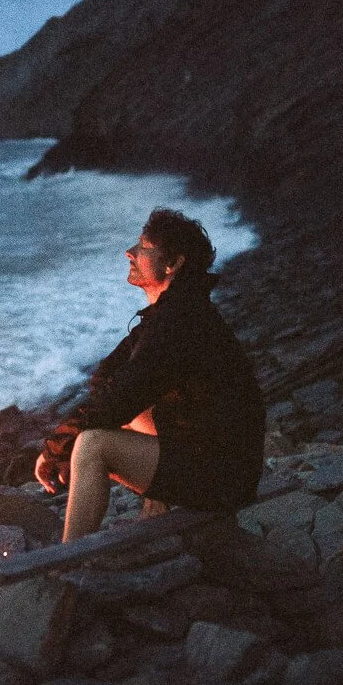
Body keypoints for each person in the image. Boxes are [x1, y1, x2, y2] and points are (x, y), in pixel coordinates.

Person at [35, 208, 265, 542]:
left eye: (143, 246)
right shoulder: (172, 313)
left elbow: (119, 398)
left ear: (172, 265)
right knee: (124, 413)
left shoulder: (180, 323)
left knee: (93, 444)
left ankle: (65, 561)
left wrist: (56, 449)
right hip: (211, 453)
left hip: (224, 476)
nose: (130, 252)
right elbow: (109, 378)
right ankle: (156, 504)